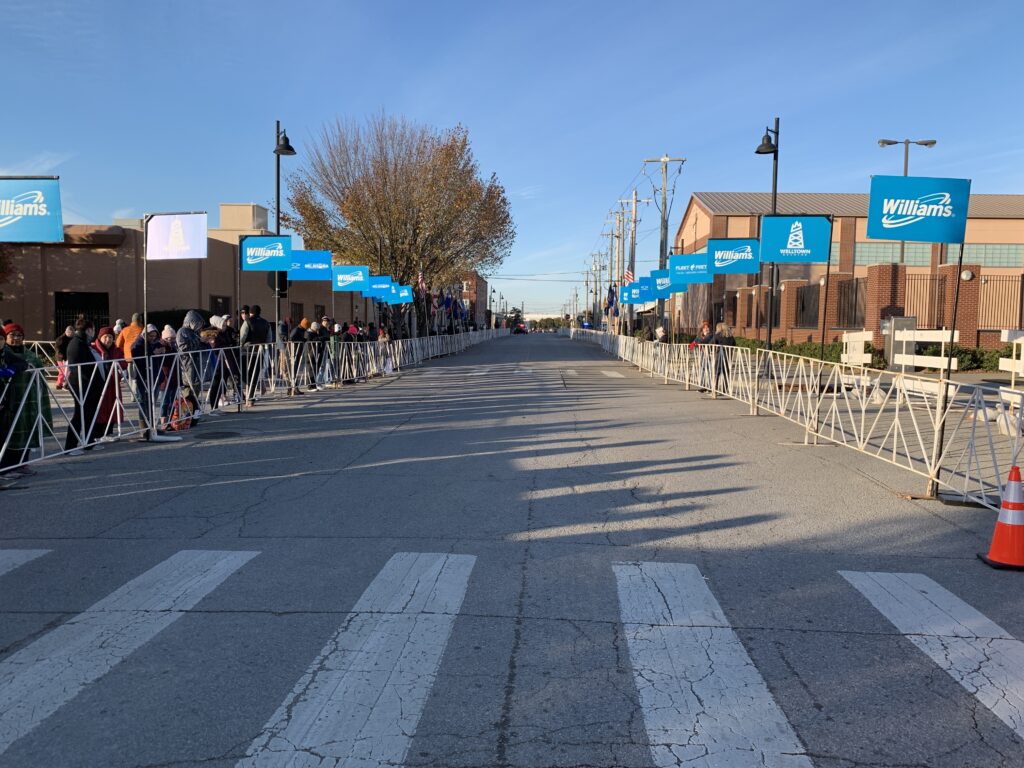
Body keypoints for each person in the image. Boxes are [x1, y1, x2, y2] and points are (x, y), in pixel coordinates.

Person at [0, 322, 52, 475]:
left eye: (19, 336)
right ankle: (7, 467)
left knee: (28, 429)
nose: (15, 338)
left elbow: (33, 368)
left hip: (29, 399)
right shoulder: (5, 353)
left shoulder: (29, 354)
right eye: (12, 335)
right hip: (11, 399)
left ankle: (23, 463)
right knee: (10, 432)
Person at [64, 317, 104, 453]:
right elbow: (79, 368)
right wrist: (91, 382)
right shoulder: (77, 344)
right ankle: (70, 446)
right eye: (93, 329)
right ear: (89, 330)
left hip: (88, 384)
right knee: (80, 414)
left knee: (89, 414)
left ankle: (89, 441)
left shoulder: (82, 342)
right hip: (81, 385)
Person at [92, 326, 127, 440]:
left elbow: (123, 362)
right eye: (105, 337)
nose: (108, 339)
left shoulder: (116, 350)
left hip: (113, 384)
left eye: (110, 337)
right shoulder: (94, 349)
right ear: (100, 337)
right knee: (100, 408)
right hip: (99, 384)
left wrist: (118, 366)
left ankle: (109, 431)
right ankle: (97, 433)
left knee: (113, 406)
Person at [130, 324, 165, 438]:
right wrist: (152, 354)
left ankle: (152, 427)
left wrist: (162, 351)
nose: (153, 338)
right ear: (145, 334)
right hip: (143, 377)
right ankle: (144, 429)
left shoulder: (156, 343)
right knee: (144, 404)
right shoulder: (138, 344)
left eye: (154, 336)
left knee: (152, 404)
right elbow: (137, 359)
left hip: (155, 376)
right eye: (151, 336)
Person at [176, 310, 207, 422]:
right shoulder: (182, 331)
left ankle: (194, 416)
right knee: (189, 393)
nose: (199, 326)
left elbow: (199, 346)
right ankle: (190, 416)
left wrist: (205, 342)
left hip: (195, 365)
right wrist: (199, 341)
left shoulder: (194, 332)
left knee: (195, 391)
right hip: (187, 365)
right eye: (197, 323)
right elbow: (183, 348)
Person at [239, 304, 271, 405]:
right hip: (259, 351)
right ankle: (251, 398)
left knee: (246, 374)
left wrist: (239, 346)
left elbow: (242, 336)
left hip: (247, 351)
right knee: (255, 374)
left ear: (251, 312)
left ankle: (245, 396)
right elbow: (269, 339)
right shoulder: (266, 323)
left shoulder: (247, 321)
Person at [712, 322, 736, 392]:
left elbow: (712, 343)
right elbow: (734, 344)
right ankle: (724, 389)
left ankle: (715, 388)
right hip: (728, 356)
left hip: (720, 355)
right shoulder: (730, 336)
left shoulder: (718, 335)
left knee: (717, 372)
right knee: (726, 373)